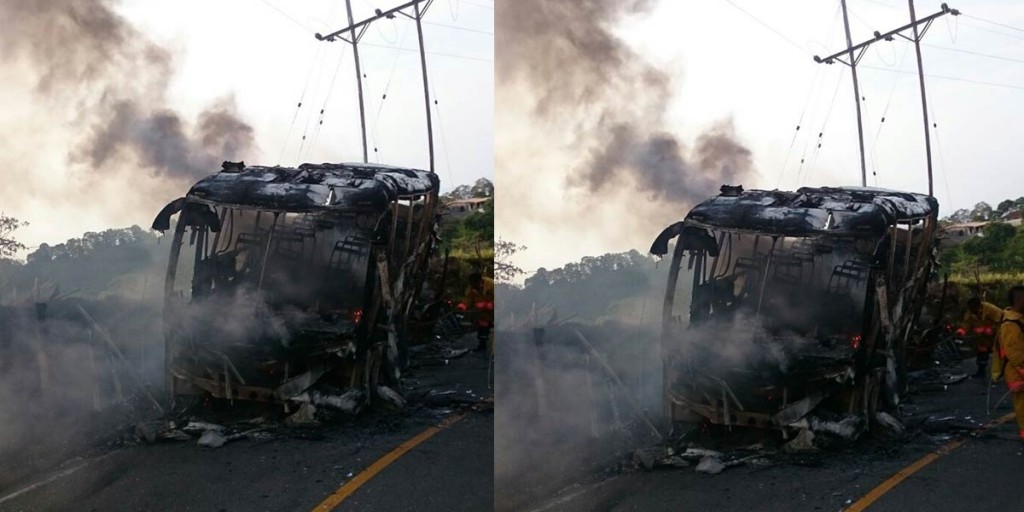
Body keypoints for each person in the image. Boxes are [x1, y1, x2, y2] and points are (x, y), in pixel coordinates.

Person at [997, 286, 1024, 444]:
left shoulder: (1019, 319)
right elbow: (1015, 353)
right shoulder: (1010, 324)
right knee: (1022, 406)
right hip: (1018, 372)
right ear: (1019, 300)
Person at [958, 296, 1003, 377]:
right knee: (982, 351)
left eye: (974, 309)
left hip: (998, 335)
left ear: (979, 306)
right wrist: (962, 331)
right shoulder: (970, 312)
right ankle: (981, 371)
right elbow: (967, 323)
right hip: (983, 337)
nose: (972, 312)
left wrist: (992, 329)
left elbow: (1003, 321)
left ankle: (1003, 371)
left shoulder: (992, 310)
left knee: (1002, 352)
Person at [463, 272, 494, 352]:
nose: (473, 285)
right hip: (483, 312)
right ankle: (482, 345)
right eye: (471, 283)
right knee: (483, 325)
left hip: (498, 308)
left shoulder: (491, 285)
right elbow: (467, 300)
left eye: (474, 282)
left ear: (479, 280)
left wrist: (490, 305)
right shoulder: (470, 289)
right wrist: (462, 306)